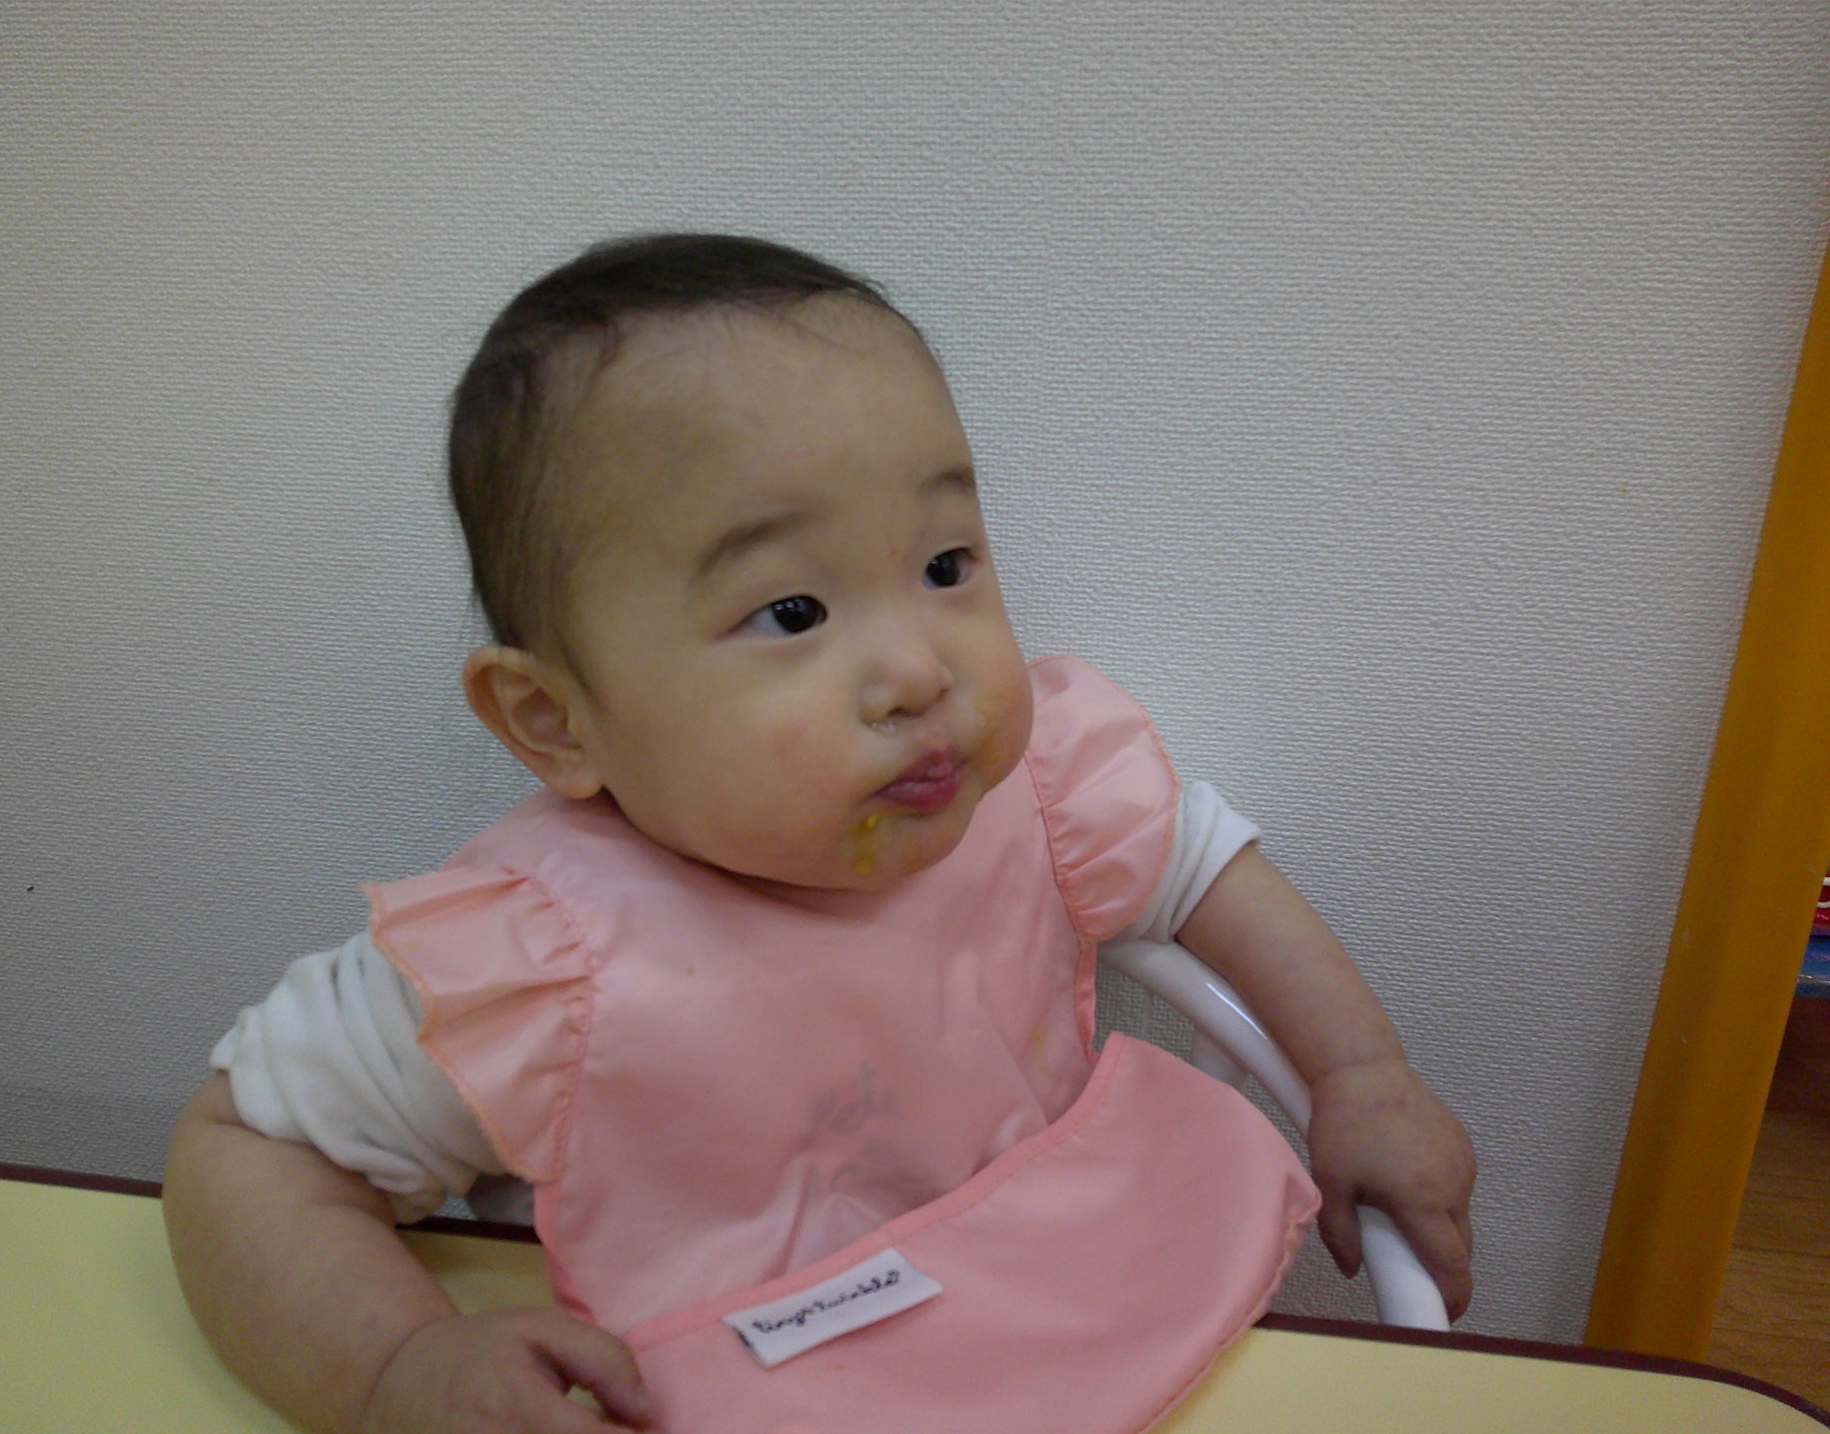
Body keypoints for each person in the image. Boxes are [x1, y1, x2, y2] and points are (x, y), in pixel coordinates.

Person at [163, 232, 1475, 1434]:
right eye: (791, 612)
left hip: (1094, 1315)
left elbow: (1199, 869)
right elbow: (251, 1157)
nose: (918, 668)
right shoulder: (535, 966)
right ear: (555, 721)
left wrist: (1361, 1075)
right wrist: (395, 1368)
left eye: (946, 565)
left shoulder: (1024, 803)